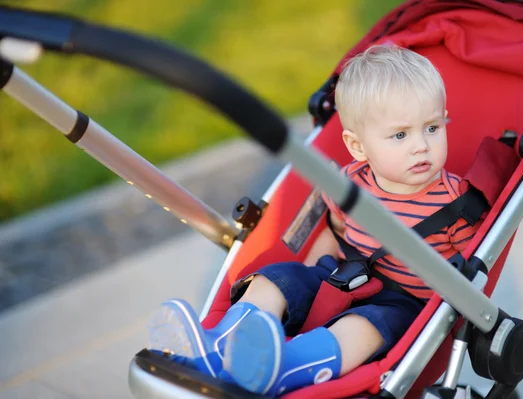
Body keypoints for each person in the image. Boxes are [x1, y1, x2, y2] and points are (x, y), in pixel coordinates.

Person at [147, 44, 481, 397]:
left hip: (402, 301)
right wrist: (308, 276)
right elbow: (335, 231)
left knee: (363, 327)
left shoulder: (454, 202)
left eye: (432, 127)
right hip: (342, 274)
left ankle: (282, 367)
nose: (421, 146)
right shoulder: (349, 183)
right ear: (358, 147)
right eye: (401, 135)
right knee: (276, 280)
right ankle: (219, 347)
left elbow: (471, 267)